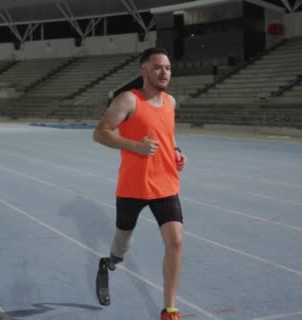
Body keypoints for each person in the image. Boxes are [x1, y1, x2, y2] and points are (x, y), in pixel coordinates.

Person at [93, 47, 187, 320]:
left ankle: (169, 309)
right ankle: (110, 262)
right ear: (143, 71)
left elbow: (166, 135)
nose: (164, 72)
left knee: (176, 242)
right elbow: (100, 133)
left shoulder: (170, 102)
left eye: (167, 67)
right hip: (133, 187)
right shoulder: (128, 100)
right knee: (122, 243)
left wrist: (177, 152)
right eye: (157, 67)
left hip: (165, 184)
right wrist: (135, 146)